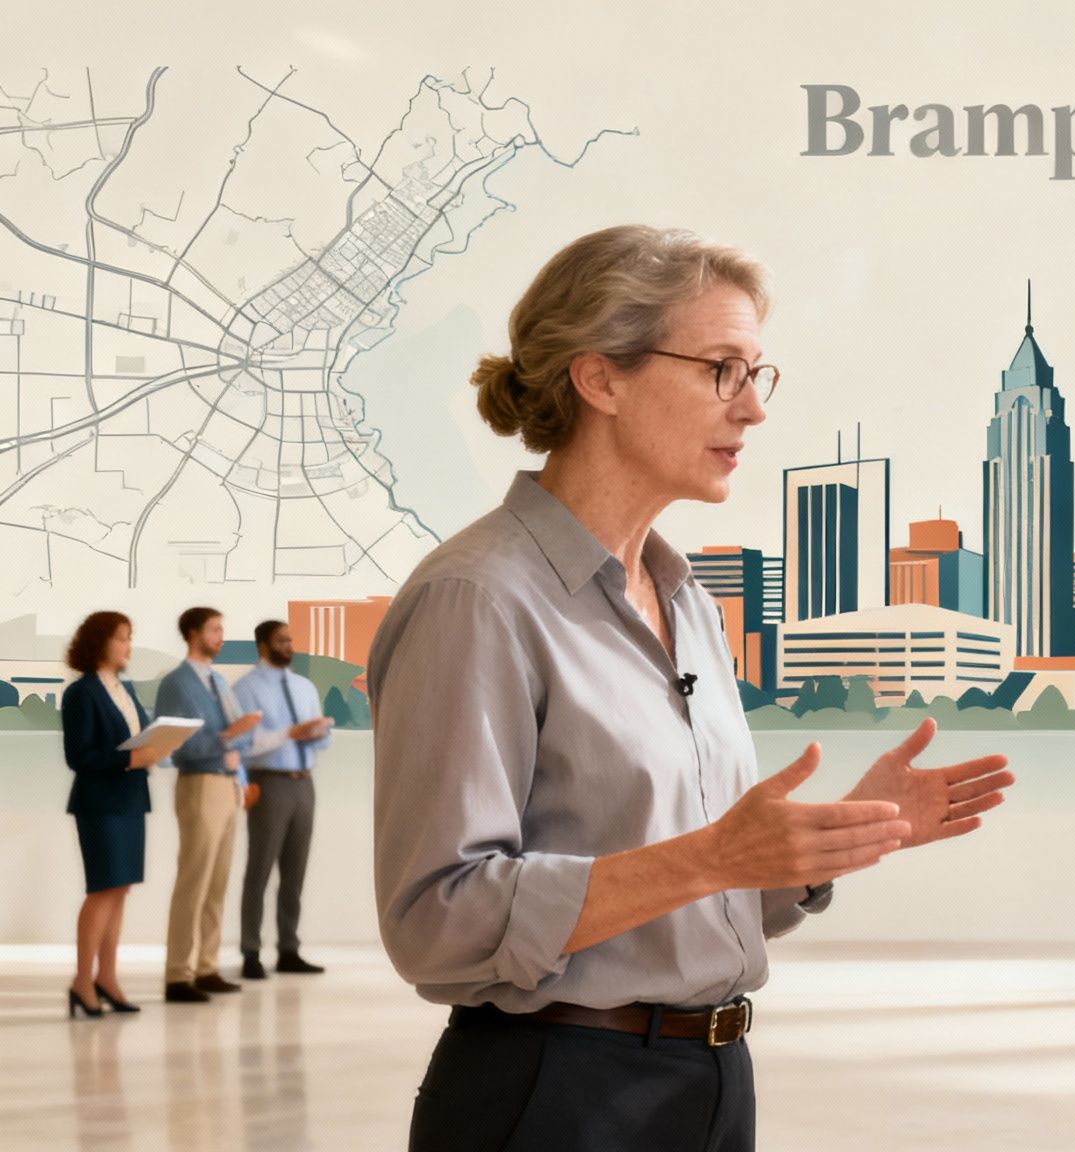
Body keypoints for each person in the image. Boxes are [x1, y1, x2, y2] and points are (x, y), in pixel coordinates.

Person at [368, 225, 1014, 1152]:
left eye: (758, 374)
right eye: (722, 369)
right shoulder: (478, 598)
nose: (751, 410)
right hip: (558, 1096)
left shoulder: (687, 599)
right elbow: (439, 921)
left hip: (710, 1084)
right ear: (602, 380)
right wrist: (713, 856)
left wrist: (821, 845)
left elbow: (696, 887)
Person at [154, 607, 269, 1003]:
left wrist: (235, 745)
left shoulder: (219, 681)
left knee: (217, 883)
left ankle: (205, 966)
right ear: (192, 633)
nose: (221, 636)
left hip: (227, 785)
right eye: (214, 629)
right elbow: (175, 746)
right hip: (199, 784)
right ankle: (177, 974)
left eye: (222, 629)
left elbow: (243, 739)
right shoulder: (176, 684)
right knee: (194, 880)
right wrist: (227, 737)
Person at [59, 611, 157, 1018]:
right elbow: (78, 756)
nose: (127, 646)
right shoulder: (82, 693)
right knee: (102, 889)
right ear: (99, 642)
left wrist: (154, 748)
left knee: (120, 890)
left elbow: (139, 735)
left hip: (131, 798)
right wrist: (131, 758)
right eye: (121, 638)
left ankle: (108, 977)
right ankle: (83, 981)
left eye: (130, 638)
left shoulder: (124, 688)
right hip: (100, 803)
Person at [233, 619, 337, 981]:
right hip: (269, 782)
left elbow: (321, 740)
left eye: (291, 639)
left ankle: (289, 948)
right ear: (263, 645)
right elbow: (246, 742)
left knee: (295, 872)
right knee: (259, 870)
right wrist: (290, 733)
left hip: (303, 783)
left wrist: (317, 734)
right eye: (281, 640)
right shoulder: (246, 689)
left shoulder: (305, 686)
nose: (289, 646)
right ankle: (250, 952)